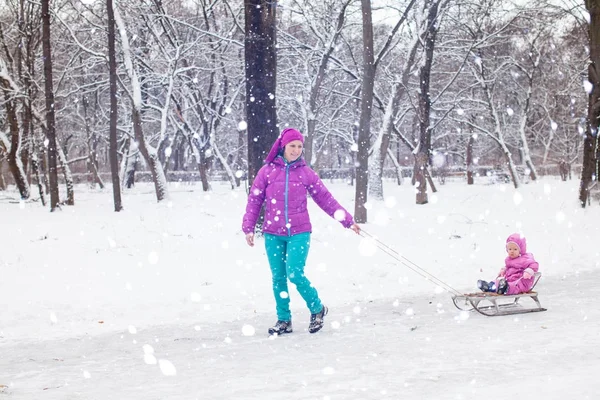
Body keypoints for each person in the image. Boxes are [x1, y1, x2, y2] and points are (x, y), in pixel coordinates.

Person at [242, 127, 361, 335]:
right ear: (283, 146)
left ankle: (317, 309)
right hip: (273, 233)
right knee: (278, 277)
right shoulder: (267, 171)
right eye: (292, 146)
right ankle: (284, 320)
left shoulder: (306, 173)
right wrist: (248, 228)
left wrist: (347, 220)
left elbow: (325, 198)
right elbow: (255, 199)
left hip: (299, 232)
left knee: (295, 273)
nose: (296, 150)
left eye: (299, 146)